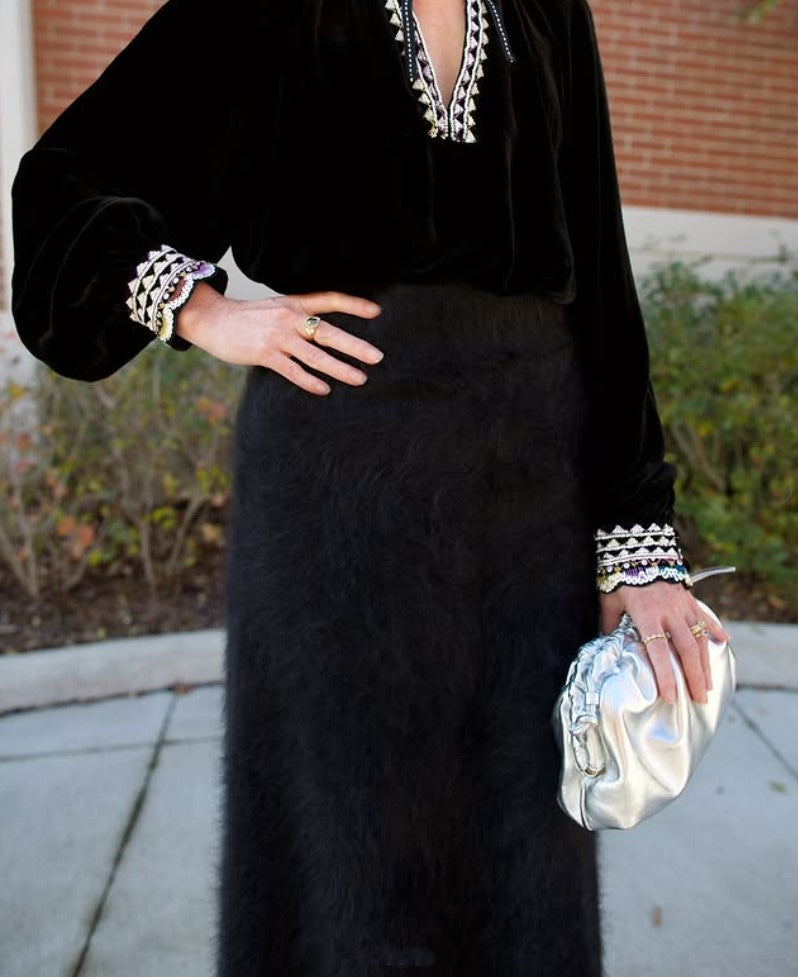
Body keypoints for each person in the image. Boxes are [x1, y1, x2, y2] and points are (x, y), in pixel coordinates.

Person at [11, 0, 730, 974]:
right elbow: (64, 181)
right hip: (335, 491)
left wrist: (639, 537)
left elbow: (600, 268)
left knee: (523, 858)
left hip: (529, 505)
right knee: (343, 853)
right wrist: (202, 310)